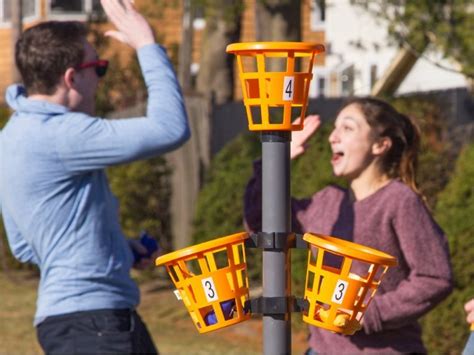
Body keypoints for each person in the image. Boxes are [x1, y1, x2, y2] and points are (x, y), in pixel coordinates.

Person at [0, 0, 190, 353]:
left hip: (78, 322)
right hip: (96, 325)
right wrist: (147, 45)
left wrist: (118, 249)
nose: (100, 79)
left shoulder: (12, 136)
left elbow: (26, 245)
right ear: (72, 77)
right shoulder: (63, 134)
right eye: (98, 68)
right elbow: (170, 129)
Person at [244, 97, 453, 354]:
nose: (333, 137)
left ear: (380, 145)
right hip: (321, 349)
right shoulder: (327, 201)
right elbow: (261, 222)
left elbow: (434, 277)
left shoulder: (399, 200)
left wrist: (366, 313)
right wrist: (275, 160)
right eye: (335, 128)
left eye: (348, 127)